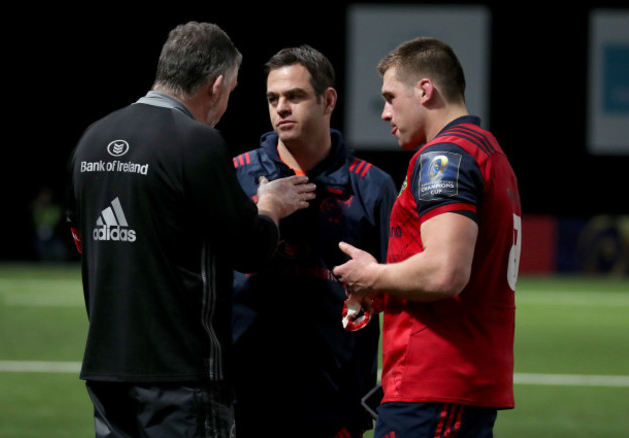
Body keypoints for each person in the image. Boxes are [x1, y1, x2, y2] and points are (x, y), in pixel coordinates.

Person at [65, 22, 316, 438]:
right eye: (234, 90)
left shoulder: (94, 137)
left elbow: (82, 238)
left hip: (106, 369)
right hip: (181, 375)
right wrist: (270, 207)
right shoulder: (197, 141)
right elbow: (251, 250)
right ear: (216, 86)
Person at [333, 37, 521, 438]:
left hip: (435, 380)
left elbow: (444, 273)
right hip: (457, 379)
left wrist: (373, 275)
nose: (384, 113)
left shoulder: (444, 157)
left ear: (424, 90)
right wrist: (382, 288)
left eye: (389, 97)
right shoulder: (489, 152)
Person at [231, 45, 398, 438]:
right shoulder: (235, 176)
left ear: (328, 100)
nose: (281, 108)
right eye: (273, 98)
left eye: (294, 96)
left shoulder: (373, 187)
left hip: (335, 405)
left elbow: (401, 297)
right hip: (244, 399)